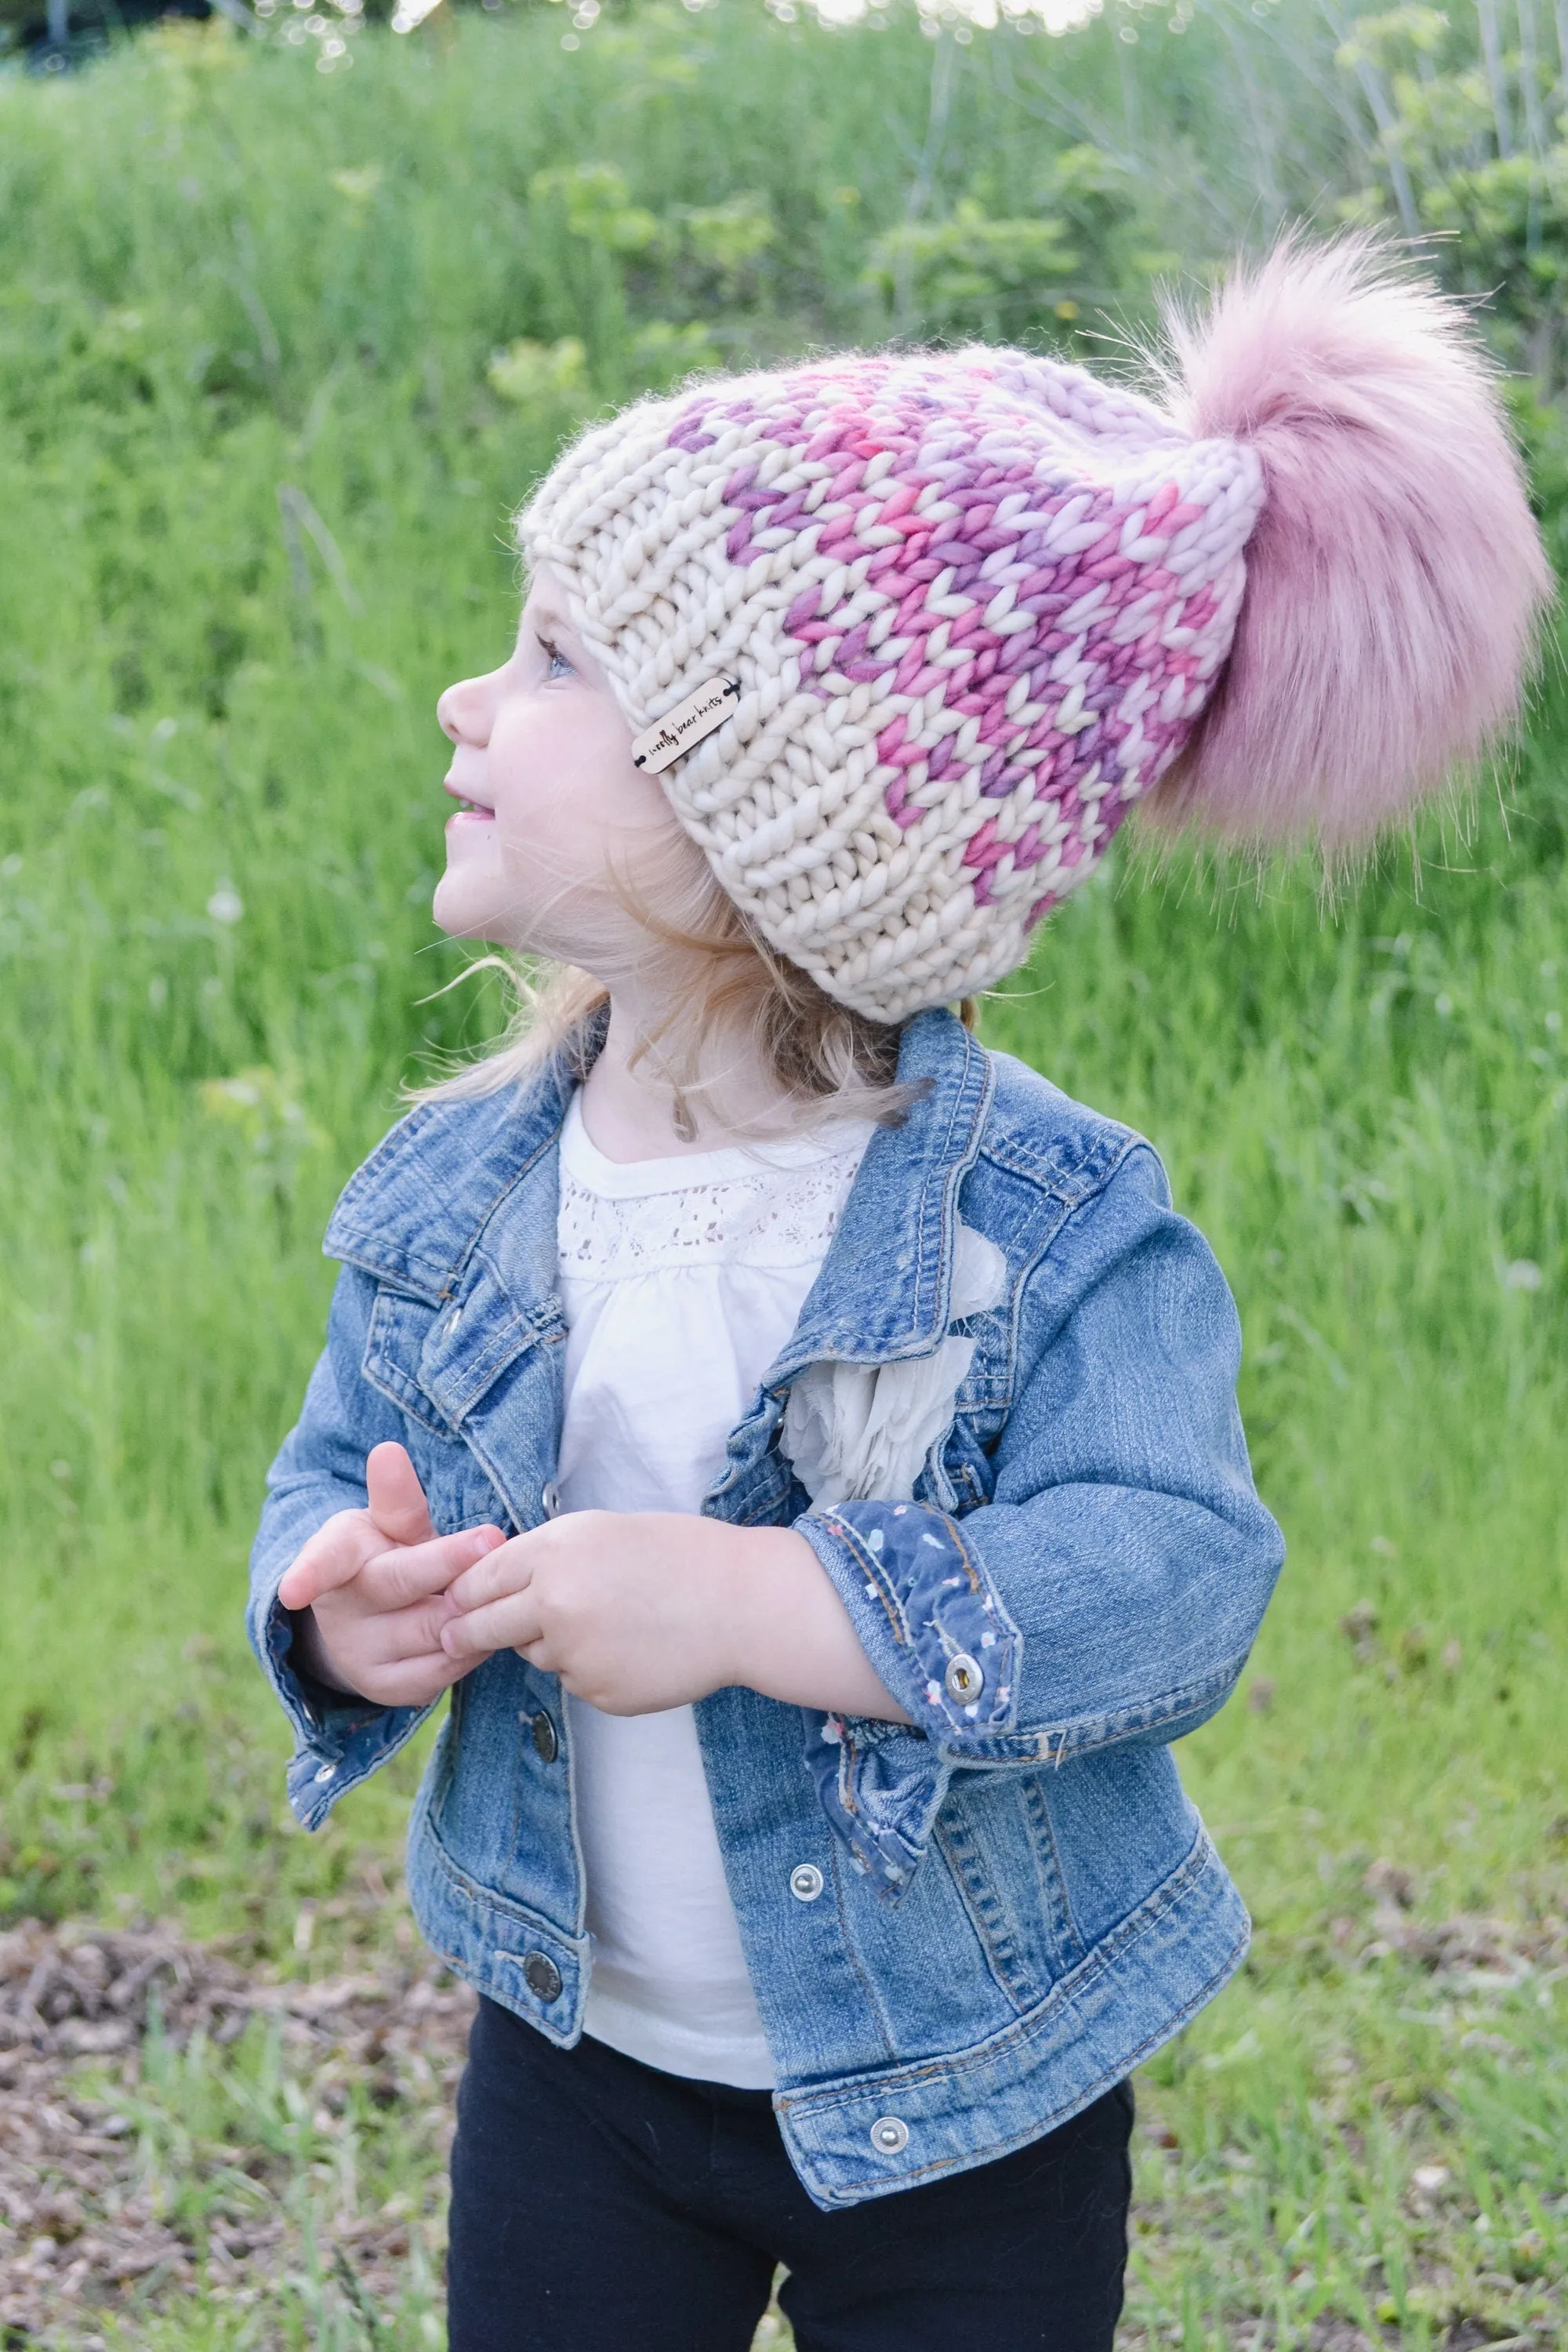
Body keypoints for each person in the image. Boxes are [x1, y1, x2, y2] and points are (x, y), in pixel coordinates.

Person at [247, 237, 1547, 2350]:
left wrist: (776, 1608)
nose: (473, 700)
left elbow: (1172, 1568)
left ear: (783, 809)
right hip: (577, 2073)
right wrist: (343, 1602)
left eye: (562, 659)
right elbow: (335, 1465)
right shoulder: (463, 1188)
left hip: (976, 2103)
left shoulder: (1038, 1220)